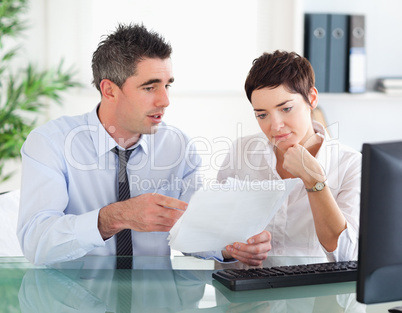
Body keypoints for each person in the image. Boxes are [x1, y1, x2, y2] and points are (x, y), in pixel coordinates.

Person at [17, 23, 270, 266]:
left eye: (167, 85)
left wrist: (230, 247)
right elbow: (35, 241)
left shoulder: (179, 147)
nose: (165, 100)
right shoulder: (51, 143)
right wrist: (115, 217)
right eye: (150, 87)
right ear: (109, 90)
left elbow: (192, 230)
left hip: (155, 301)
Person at [218, 50, 361, 262]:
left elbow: (347, 255)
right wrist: (232, 250)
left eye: (286, 108)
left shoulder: (350, 164)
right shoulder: (242, 151)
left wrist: (315, 182)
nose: (275, 126)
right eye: (262, 115)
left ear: (311, 98)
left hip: (315, 292)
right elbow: (210, 235)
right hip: (250, 290)